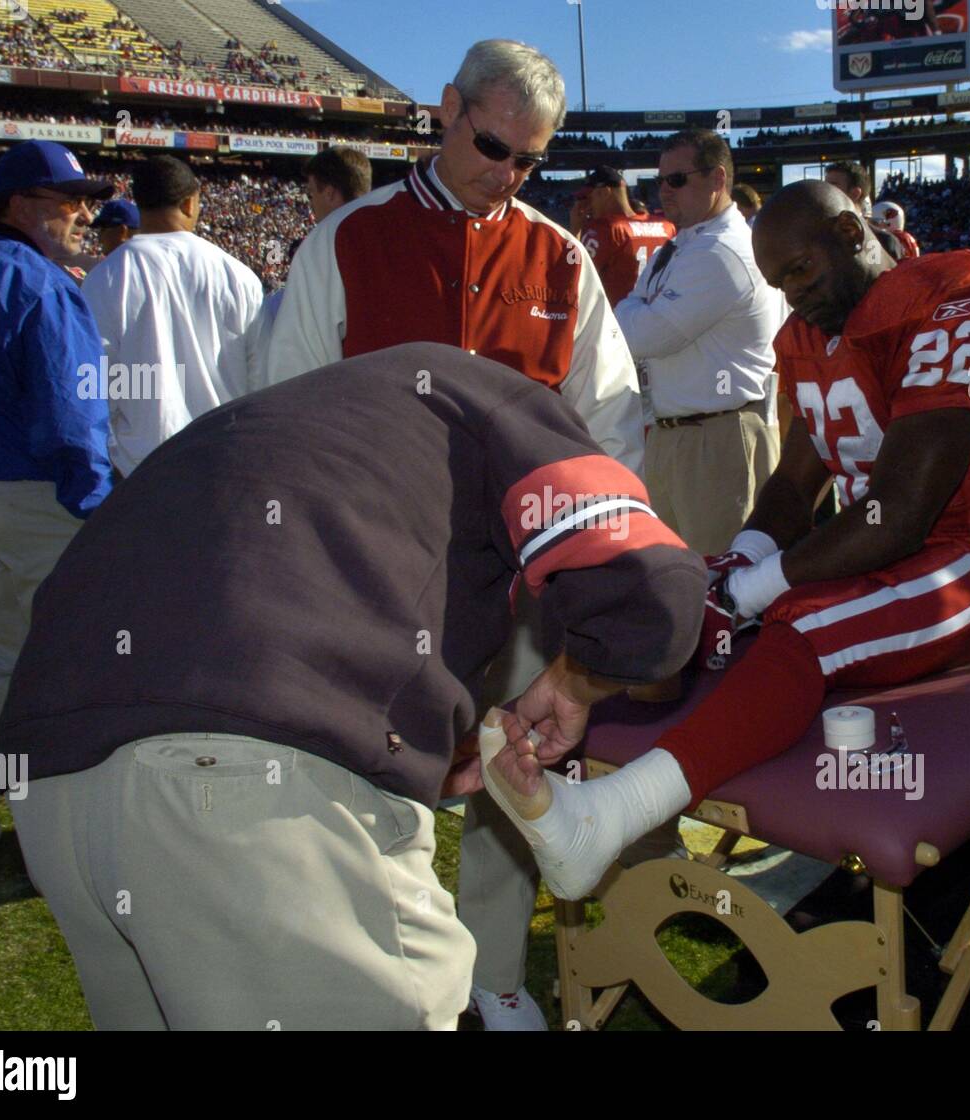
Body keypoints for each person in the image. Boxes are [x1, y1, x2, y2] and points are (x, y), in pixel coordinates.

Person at [0, 342, 705, 1030]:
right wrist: (574, 682)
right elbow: (657, 595)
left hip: (55, 783)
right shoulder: (502, 404)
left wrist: (416, 736)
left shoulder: (283, 418)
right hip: (246, 792)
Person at [478, 179, 970, 905]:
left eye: (800, 273)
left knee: (804, 624)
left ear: (850, 235)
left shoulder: (955, 293)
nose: (793, 295)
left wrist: (758, 586)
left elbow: (901, 511)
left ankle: (613, 815)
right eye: (778, 282)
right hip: (883, 554)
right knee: (678, 589)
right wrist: (738, 562)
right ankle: (560, 700)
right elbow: (794, 482)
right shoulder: (812, 333)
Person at [264, 38, 643, 1030]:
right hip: (374, 572)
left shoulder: (560, 257)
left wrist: (597, 559)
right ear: (444, 111)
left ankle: (497, 977)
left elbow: (612, 421)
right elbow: (275, 409)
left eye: (530, 160)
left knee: (511, 771)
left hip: (520, 578)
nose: (508, 173)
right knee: (362, 777)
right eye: (491, 145)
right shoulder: (348, 239)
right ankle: (365, 972)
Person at [0, 141, 114, 863]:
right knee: (69, 663)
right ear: (20, 205)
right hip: (35, 495)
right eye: (67, 199)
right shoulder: (39, 282)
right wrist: (95, 502)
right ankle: (61, 838)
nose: (82, 214)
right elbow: (71, 415)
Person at [616, 128, 784, 556]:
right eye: (660, 181)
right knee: (676, 578)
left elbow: (638, 333)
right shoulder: (681, 246)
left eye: (677, 180)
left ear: (718, 180)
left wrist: (636, 312)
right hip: (681, 433)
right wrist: (637, 312)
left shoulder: (721, 251)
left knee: (719, 585)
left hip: (718, 437)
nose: (665, 192)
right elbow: (633, 320)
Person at [82, 156, 266, 478]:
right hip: (223, 458)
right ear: (189, 202)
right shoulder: (238, 275)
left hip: (143, 467)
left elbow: (96, 384)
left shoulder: (105, 277)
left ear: (139, 204)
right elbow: (260, 377)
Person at [572, 165, 675, 307]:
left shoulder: (605, 228)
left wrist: (575, 229)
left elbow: (574, 274)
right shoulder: (666, 225)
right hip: (658, 312)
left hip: (620, 317)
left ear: (604, 193)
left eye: (589, 197)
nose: (587, 204)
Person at [824, 160, 904, 262]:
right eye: (825, 185)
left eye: (833, 186)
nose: (825, 190)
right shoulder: (820, 240)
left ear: (855, 193)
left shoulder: (879, 241)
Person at [303, 145, 372, 222]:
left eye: (312, 193)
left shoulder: (332, 233)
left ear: (330, 193)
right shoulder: (381, 228)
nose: (311, 202)